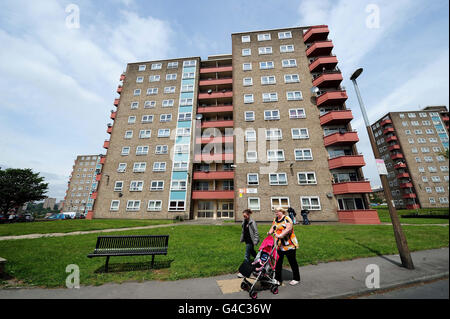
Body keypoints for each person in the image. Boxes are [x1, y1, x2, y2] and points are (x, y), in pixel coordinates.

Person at [268, 207, 300, 286]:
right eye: (275, 211)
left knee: (292, 262)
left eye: (278, 211)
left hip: (289, 245)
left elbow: (289, 229)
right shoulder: (275, 219)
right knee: (278, 263)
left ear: (282, 212)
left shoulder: (287, 218)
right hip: (279, 245)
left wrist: (280, 235)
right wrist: (269, 232)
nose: (276, 213)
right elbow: (273, 227)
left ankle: (296, 278)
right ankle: (278, 279)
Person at [238, 209, 260, 278]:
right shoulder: (244, 222)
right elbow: (243, 232)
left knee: (247, 255)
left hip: (251, 241)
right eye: (243, 216)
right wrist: (242, 239)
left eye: (245, 216)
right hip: (247, 240)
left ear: (248, 215)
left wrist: (255, 241)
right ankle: (258, 261)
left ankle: (244, 272)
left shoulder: (252, 222)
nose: (244, 217)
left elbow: (256, 232)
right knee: (252, 252)